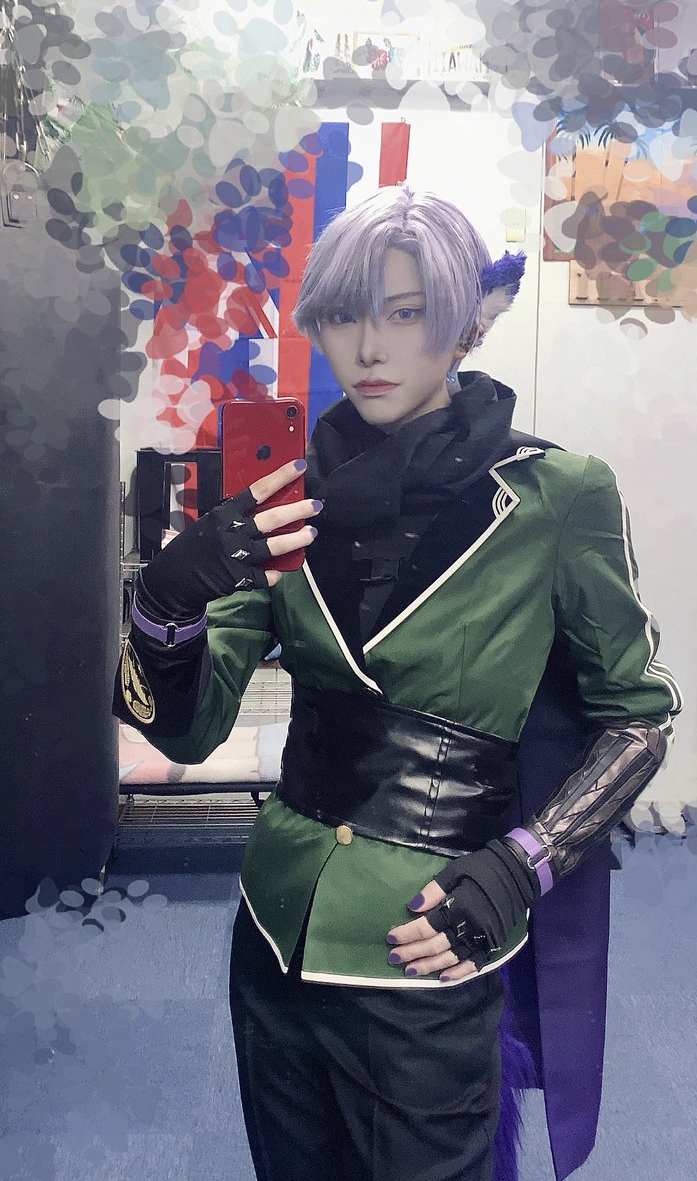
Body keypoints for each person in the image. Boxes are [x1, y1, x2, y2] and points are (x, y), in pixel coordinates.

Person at [113, 185, 681, 1181]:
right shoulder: (286, 502)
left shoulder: (555, 496)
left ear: (463, 325)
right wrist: (167, 601)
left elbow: (636, 718)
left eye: (406, 312)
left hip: (432, 934)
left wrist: (523, 864)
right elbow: (188, 731)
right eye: (344, 314)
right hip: (277, 930)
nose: (369, 346)